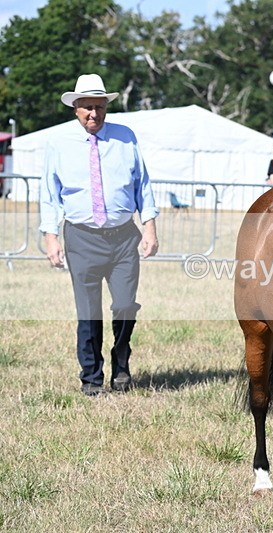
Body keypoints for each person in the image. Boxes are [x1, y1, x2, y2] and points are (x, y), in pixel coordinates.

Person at [40, 73, 160, 396]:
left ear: (106, 106)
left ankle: (121, 365)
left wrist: (149, 225)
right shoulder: (58, 143)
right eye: (87, 107)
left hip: (123, 238)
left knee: (124, 306)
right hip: (81, 238)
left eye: (99, 106)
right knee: (88, 313)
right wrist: (50, 236)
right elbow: (49, 194)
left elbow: (142, 184)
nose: (94, 113)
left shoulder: (126, 137)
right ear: (75, 108)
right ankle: (91, 378)